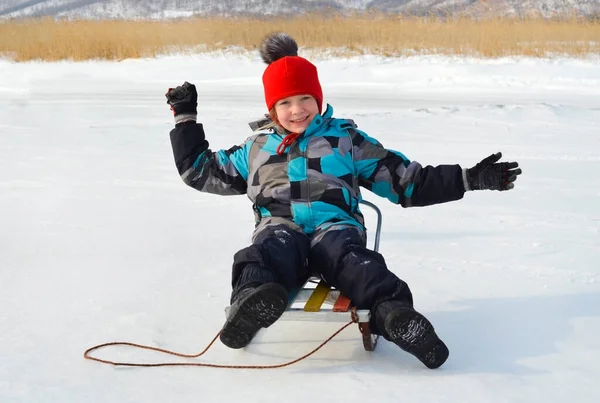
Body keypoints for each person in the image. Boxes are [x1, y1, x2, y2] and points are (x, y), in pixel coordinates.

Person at [166, 32, 522, 369]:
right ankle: (252, 300)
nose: (297, 110)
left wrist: (469, 178)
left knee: (355, 263)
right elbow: (200, 171)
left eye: (305, 98)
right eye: (285, 102)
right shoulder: (255, 149)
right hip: (280, 229)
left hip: (335, 228)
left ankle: (394, 314)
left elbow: (406, 181)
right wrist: (186, 119)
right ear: (272, 109)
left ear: (318, 99)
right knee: (263, 255)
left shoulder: (346, 141)